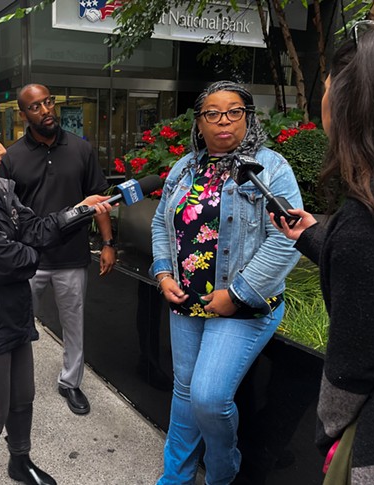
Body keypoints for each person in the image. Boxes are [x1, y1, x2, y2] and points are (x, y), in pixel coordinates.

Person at [0, 103, 112, 485]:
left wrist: (79, 211)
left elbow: (38, 228)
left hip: (13, 314)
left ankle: (19, 462)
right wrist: (26, 246)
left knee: (23, 400)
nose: (2, 151)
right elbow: (14, 260)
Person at [150, 81, 303, 485]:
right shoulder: (185, 167)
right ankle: (174, 478)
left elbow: (288, 240)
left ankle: (223, 472)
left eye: (234, 111)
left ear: (248, 118)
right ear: (198, 122)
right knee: (184, 395)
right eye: (212, 113)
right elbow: (160, 222)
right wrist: (163, 272)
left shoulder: (270, 168)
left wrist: (237, 294)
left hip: (244, 305)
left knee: (209, 397)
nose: (223, 121)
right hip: (187, 300)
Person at [272, 25, 374, 483]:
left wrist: (332, 429)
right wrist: (315, 236)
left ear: (348, 103)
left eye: (326, 86)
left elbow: (355, 363)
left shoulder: (368, 222)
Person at [0, 84, 116, 415]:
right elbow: (3, 211)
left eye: (48, 102)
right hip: (29, 259)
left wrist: (107, 243)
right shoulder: (10, 157)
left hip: (72, 256)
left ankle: (70, 382)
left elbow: (99, 200)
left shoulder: (81, 149)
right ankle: (13, 385)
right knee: (18, 323)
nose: (46, 110)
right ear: (22, 115)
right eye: (35, 107)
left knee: (74, 324)